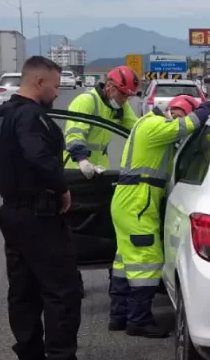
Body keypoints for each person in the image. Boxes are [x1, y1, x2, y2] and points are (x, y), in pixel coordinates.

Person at [0, 56, 81, 360]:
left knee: (23, 289)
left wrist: (13, 183)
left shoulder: (0, 115)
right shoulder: (31, 116)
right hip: (40, 216)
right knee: (62, 291)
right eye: (54, 86)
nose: (56, 92)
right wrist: (62, 187)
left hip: (12, 212)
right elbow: (38, 156)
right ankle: (61, 355)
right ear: (39, 82)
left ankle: (29, 352)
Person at [108, 94, 210, 338]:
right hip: (138, 202)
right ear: (177, 111)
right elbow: (188, 125)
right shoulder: (155, 126)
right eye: (182, 115)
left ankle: (119, 315)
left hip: (129, 201)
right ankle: (139, 320)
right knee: (146, 260)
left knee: (125, 261)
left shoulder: (147, 124)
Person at [64, 65, 140, 297]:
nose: (125, 99)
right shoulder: (86, 102)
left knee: (106, 226)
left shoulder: (118, 107)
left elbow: (136, 128)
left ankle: (114, 279)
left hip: (98, 174)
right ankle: (71, 280)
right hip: (75, 173)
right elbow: (75, 133)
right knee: (72, 231)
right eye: (123, 94)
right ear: (109, 87)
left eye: (128, 96)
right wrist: (82, 161)